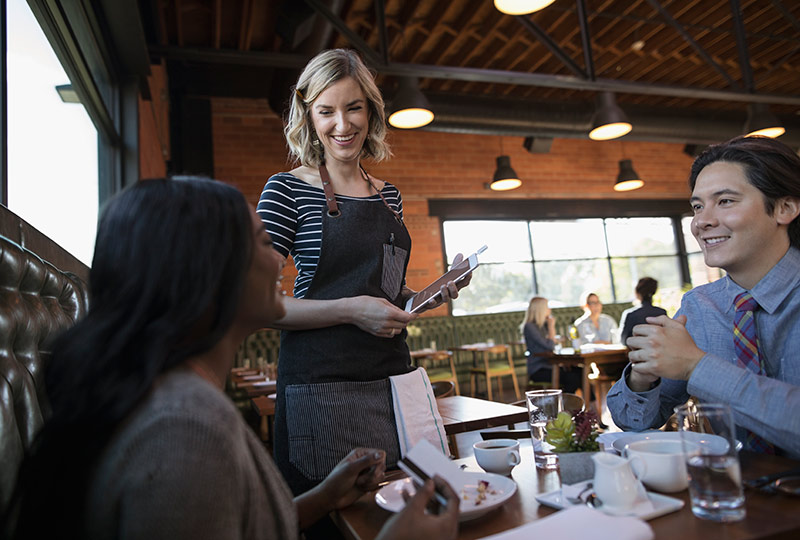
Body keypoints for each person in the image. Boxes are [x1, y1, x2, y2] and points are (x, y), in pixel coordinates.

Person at [7, 177, 460, 539]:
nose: (280, 261)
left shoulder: (178, 399)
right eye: (265, 242)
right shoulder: (184, 428)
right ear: (209, 272)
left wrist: (322, 498)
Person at [257, 48, 471, 494]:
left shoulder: (388, 196)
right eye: (326, 111)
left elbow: (389, 297)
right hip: (322, 391)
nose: (343, 124)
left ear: (371, 111)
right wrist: (351, 311)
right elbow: (259, 304)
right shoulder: (286, 190)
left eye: (354, 107)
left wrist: (437, 291)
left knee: (414, 507)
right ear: (309, 116)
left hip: (396, 386)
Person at [607, 136, 800, 458]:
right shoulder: (700, 306)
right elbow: (634, 421)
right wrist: (643, 376)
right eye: (698, 206)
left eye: (725, 201)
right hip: (736, 496)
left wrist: (697, 367)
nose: (701, 221)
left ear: (785, 208)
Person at [521, 297, 580, 393]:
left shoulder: (543, 325)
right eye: (547, 307)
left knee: (580, 372)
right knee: (572, 377)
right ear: (540, 309)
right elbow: (550, 346)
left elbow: (551, 342)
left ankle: (591, 405)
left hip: (551, 365)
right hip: (538, 369)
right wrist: (551, 326)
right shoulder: (529, 327)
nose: (549, 309)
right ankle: (565, 404)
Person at [618, 277, 667, 345]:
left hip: (638, 353)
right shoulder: (662, 312)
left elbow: (623, 341)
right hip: (661, 352)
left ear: (637, 293)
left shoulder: (631, 314)